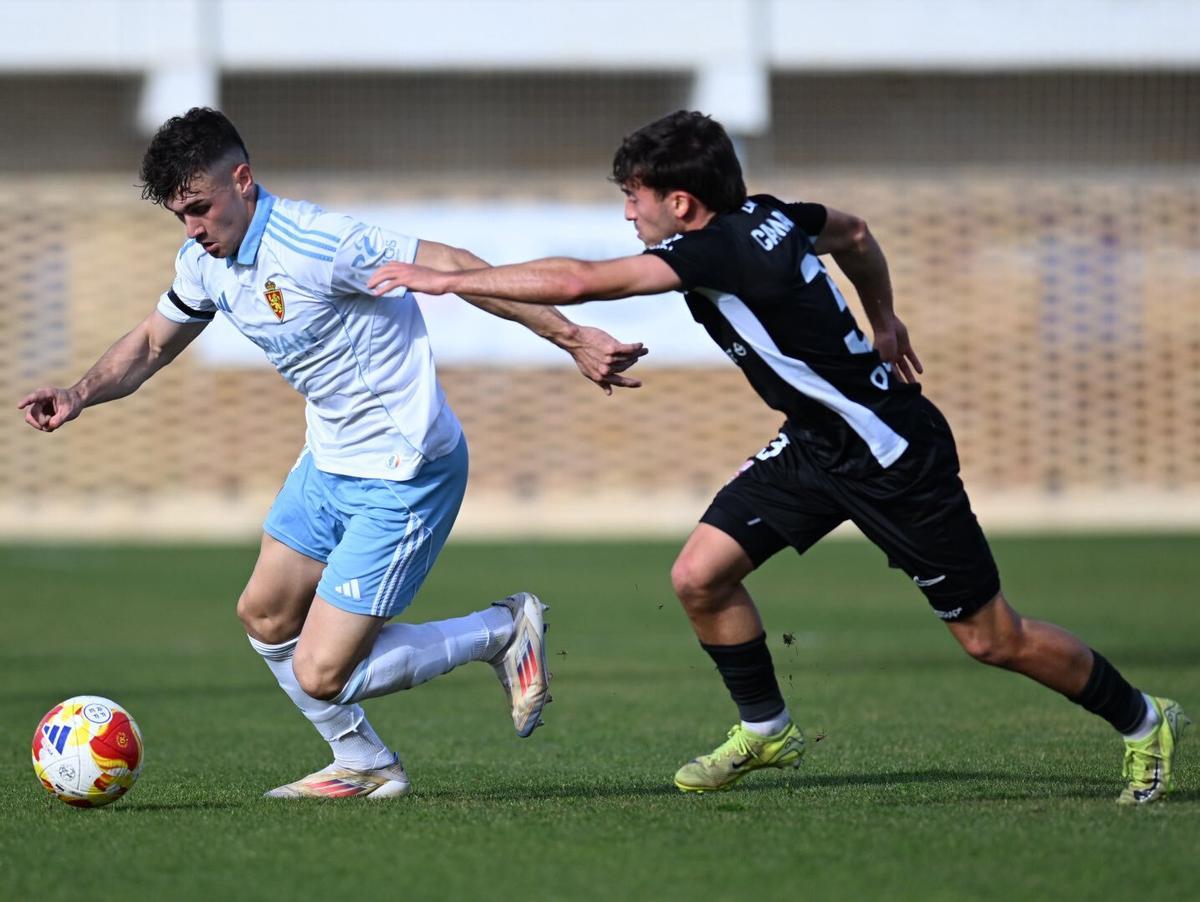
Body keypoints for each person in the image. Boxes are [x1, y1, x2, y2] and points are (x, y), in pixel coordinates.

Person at [369, 109, 1190, 804]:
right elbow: (858, 233)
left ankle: (1145, 720)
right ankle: (768, 731)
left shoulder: (721, 250)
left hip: (893, 456)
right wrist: (886, 319)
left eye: (634, 198)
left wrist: (443, 283)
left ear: (680, 203)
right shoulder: (770, 214)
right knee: (700, 575)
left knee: (992, 639)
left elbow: (583, 281)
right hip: (817, 445)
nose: (629, 214)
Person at [17, 107, 648, 799]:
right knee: (264, 615)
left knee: (324, 672)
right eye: (180, 217)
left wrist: (570, 337)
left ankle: (501, 630)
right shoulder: (204, 263)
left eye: (200, 208)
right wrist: (78, 394)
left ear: (244, 180)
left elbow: (459, 267)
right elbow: (148, 345)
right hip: (330, 462)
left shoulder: (320, 242)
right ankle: (364, 763)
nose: (194, 229)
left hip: (405, 471)